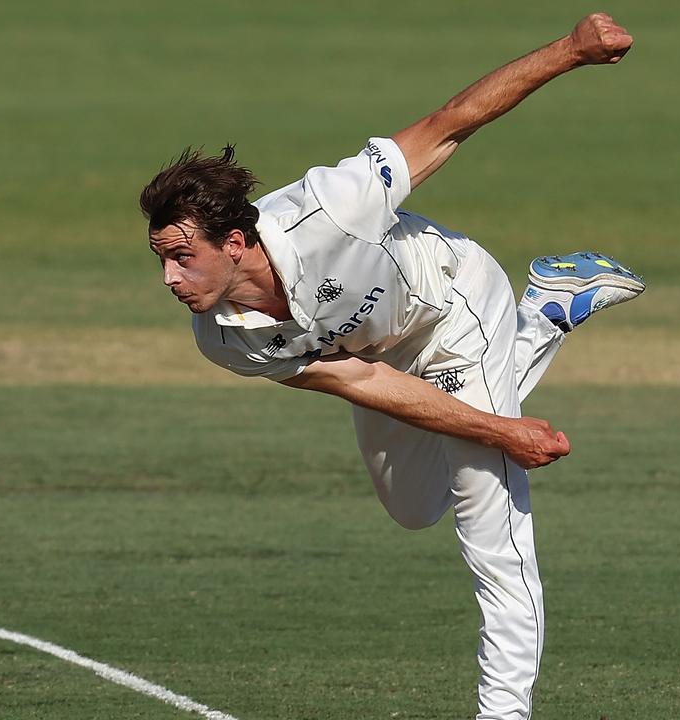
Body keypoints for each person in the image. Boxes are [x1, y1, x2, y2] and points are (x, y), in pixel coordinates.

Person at [138, 12, 643, 720]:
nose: (168, 278)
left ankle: (504, 713)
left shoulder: (331, 208)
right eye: (160, 257)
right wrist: (501, 428)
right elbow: (364, 382)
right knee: (413, 507)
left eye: (182, 257)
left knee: (490, 524)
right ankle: (545, 317)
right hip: (380, 354)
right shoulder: (226, 339)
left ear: (234, 241)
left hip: (455, 306)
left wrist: (572, 50)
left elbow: (451, 122)